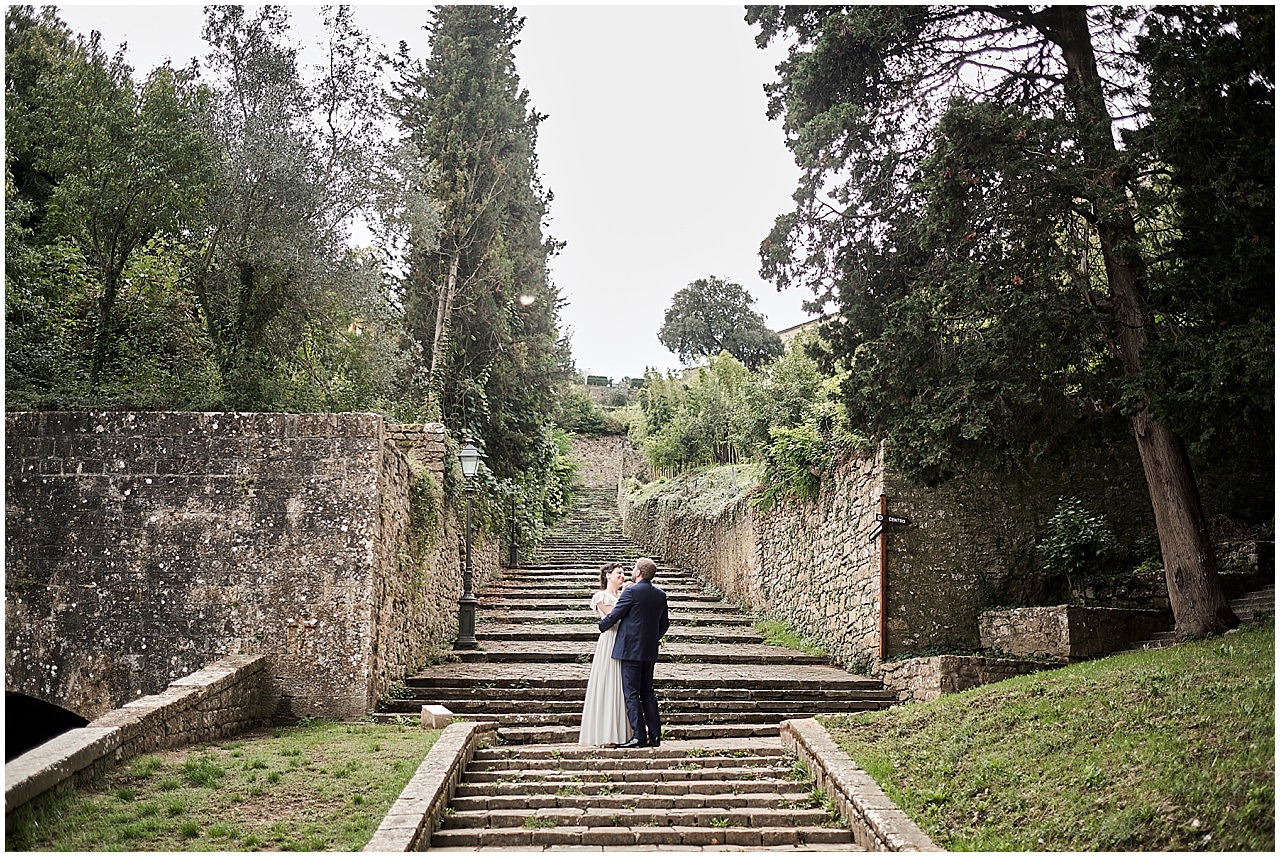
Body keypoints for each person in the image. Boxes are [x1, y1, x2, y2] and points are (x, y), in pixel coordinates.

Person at [598, 557, 669, 748]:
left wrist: (602, 626)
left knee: (632, 693)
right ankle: (655, 736)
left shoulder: (631, 591)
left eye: (633, 569)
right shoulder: (660, 594)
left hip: (630, 650)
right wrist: (652, 638)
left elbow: (616, 614)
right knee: (648, 692)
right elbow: (665, 624)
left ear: (638, 573)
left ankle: (639, 736)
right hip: (649, 650)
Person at [578, 562, 631, 746]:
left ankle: (622, 733)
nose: (622, 576)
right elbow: (614, 616)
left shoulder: (625, 596)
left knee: (621, 685)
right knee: (608, 682)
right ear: (608, 575)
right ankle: (605, 734)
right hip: (610, 640)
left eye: (623, 573)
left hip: (624, 642)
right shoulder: (601, 596)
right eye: (618, 572)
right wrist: (627, 596)